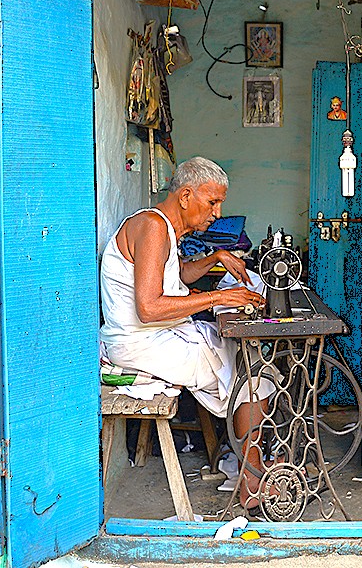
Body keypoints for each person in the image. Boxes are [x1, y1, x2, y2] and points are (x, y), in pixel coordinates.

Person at [99, 156, 272, 509]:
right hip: (140, 344)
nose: (218, 213)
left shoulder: (161, 227)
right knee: (251, 373)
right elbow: (149, 307)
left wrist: (217, 257)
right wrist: (219, 296)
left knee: (247, 359)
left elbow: (176, 280)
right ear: (185, 196)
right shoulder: (152, 228)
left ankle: (243, 461)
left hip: (153, 338)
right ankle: (252, 482)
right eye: (212, 202)